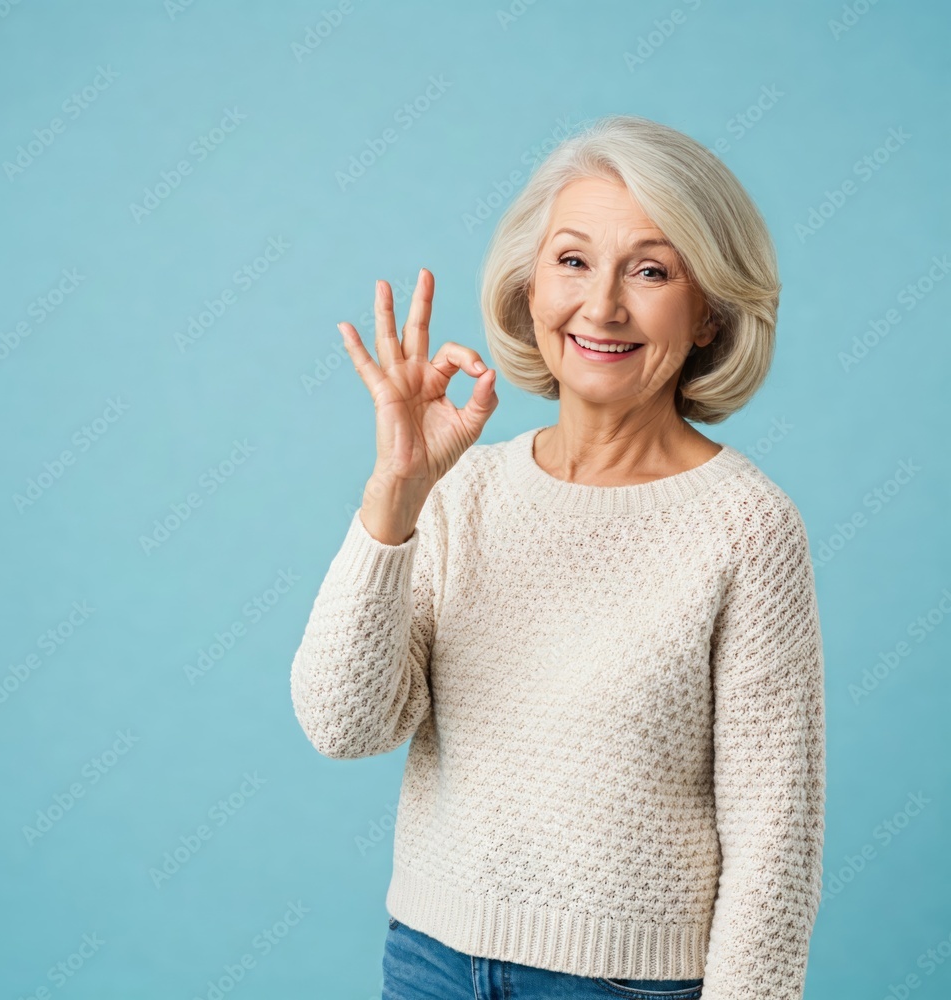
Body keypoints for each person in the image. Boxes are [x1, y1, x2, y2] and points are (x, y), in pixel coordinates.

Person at [290, 114, 825, 1000]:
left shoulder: (747, 526)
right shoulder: (464, 489)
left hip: (621, 984)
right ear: (528, 286)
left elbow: (776, 840)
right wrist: (394, 498)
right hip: (429, 962)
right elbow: (345, 726)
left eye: (650, 271)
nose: (602, 307)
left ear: (708, 314)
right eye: (573, 260)